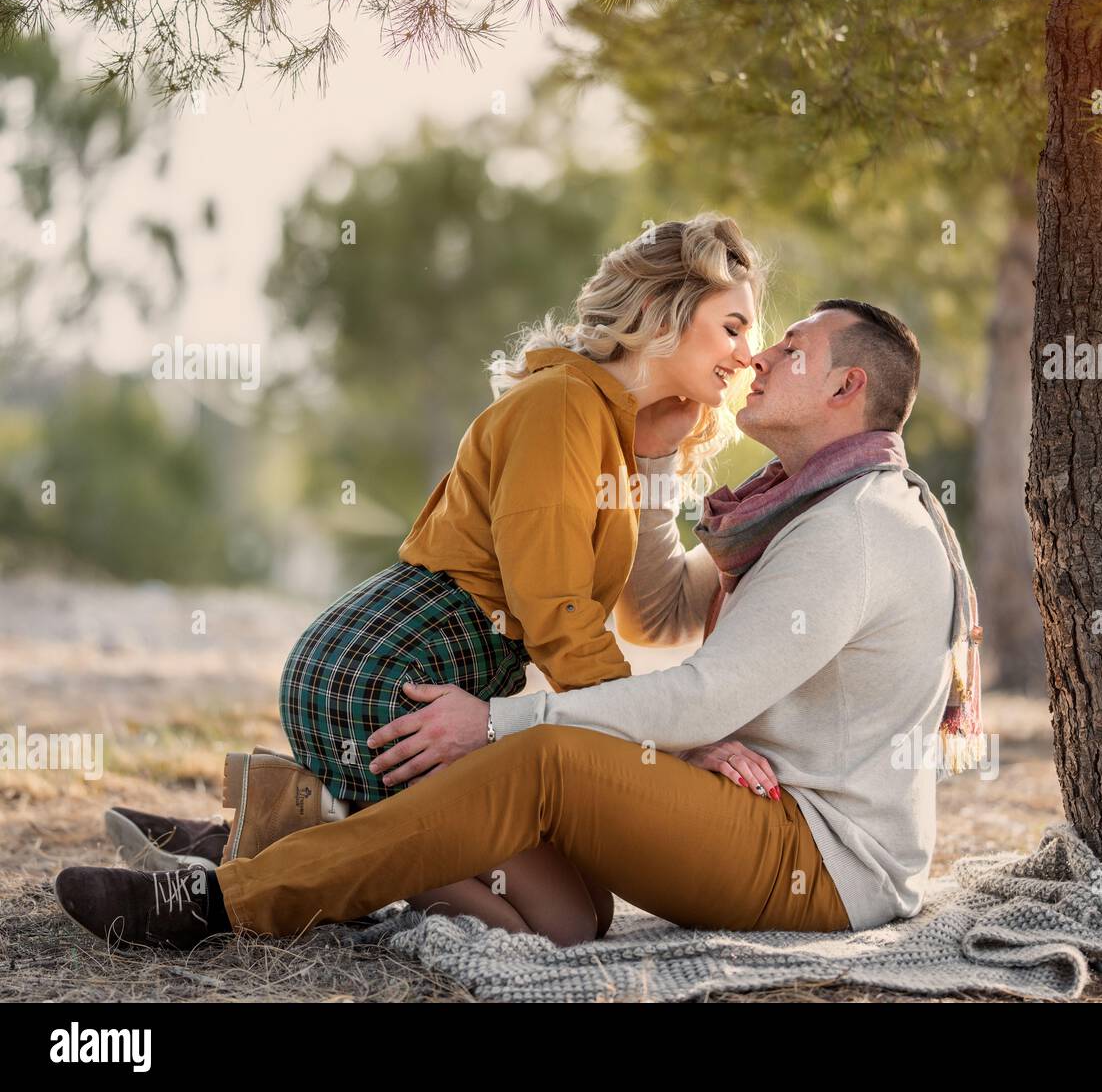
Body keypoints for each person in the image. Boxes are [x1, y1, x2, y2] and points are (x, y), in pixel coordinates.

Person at [57, 298, 984, 949]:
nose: (764, 357)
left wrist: (496, 719)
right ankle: (283, 833)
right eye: (764, 337)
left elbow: (703, 697)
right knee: (572, 915)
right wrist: (654, 450)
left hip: (819, 859)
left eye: (793, 348)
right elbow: (665, 607)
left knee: (541, 757)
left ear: (845, 388)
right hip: (770, 818)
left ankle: (223, 901)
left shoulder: (852, 529)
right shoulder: (806, 513)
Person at [99, 213, 765, 946]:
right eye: (732, 326)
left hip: (436, 675)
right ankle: (321, 833)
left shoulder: (604, 423)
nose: (748, 352)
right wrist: (669, 742)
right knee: (564, 924)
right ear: (659, 310)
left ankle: (297, 816)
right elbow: (559, 619)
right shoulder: (565, 405)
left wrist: (656, 454)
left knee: (591, 905)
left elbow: (644, 616)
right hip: (389, 675)